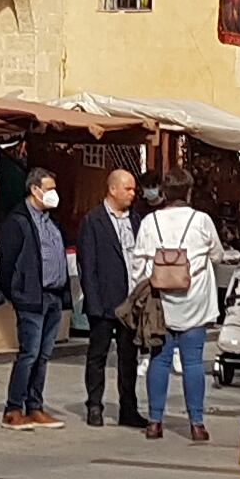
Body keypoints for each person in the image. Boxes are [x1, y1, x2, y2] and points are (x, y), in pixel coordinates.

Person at [132, 181, 224, 444]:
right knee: (192, 362)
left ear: (163, 194)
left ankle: (154, 422)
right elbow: (217, 255)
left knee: (159, 360)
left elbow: (138, 261)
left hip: (160, 301)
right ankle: (196, 424)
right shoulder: (202, 220)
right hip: (195, 300)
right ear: (189, 193)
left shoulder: (150, 221)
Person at [0, 164, 75, 430]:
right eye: (49, 189)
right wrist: (16, 292)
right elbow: (6, 264)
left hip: (53, 296)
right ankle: (13, 408)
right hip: (31, 298)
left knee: (43, 355)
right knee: (28, 353)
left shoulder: (51, 221)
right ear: (34, 190)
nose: (54, 194)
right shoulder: (18, 221)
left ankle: (35, 406)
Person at [73, 165, 143, 428]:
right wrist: (93, 300)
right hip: (104, 300)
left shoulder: (136, 220)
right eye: (128, 188)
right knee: (98, 355)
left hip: (130, 301)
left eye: (134, 189)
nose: (133, 194)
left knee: (129, 357)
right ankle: (94, 405)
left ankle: (129, 408)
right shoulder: (94, 220)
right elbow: (87, 264)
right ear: (113, 189)